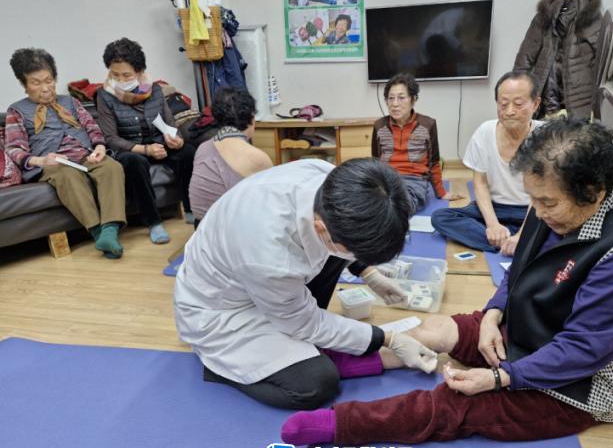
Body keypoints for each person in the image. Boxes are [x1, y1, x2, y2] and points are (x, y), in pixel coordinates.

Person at [280, 118, 613, 447]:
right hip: (527, 332)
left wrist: (501, 378)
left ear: (594, 192)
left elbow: (584, 350)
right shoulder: (553, 205)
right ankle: (347, 363)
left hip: (578, 383)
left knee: (455, 404)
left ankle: (342, 424)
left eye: (547, 203)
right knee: (436, 330)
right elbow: (519, 270)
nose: (537, 212)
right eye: (533, 200)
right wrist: (493, 313)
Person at [174, 158, 438, 410]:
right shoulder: (270, 256)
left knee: (334, 256)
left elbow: (345, 236)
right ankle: (223, 368)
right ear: (321, 229)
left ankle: (302, 342)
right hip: (222, 310)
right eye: (355, 253)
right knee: (315, 384)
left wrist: (368, 272)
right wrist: (388, 339)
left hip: (258, 278)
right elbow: (305, 323)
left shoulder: (331, 180)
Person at [5, 48, 126, 258]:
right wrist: (42, 160)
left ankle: (110, 231)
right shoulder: (16, 111)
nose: (45, 88)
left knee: (111, 167)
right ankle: (98, 233)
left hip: (85, 155)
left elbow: (92, 127)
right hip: (53, 163)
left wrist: (99, 147)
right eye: (36, 83)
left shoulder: (71, 102)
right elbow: (14, 148)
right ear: (24, 85)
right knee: (68, 175)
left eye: (49, 80)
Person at [96, 38, 196, 244]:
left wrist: (176, 139)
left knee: (188, 152)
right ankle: (154, 222)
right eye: (115, 75)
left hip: (158, 143)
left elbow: (170, 121)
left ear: (140, 71)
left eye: (127, 75)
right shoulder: (104, 96)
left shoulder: (155, 90)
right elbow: (110, 138)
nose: (120, 80)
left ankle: (190, 209)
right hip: (130, 149)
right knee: (135, 162)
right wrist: (145, 150)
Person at [431, 71, 542, 255]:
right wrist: (492, 225)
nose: (510, 111)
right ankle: (514, 244)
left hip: (533, 209)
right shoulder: (485, 132)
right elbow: (480, 183)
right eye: (503, 104)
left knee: (558, 225)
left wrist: (523, 234)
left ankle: (516, 241)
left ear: (535, 104)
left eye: (518, 104)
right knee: (441, 217)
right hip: (495, 208)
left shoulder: (546, 136)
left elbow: (542, 195)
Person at [372, 72, 455, 215]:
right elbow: (375, 161)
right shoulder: (379, 126)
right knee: (364, 200)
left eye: (401, 98)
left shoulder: (428, 124)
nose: (395, 104)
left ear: (413, 99)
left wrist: (441, 193)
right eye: (390, 98)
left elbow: (434, 162)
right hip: (386, 179)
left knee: (402, 206)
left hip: (414, 180)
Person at [188, 87, 272, 224]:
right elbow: (270, 204)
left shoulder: (203, 148)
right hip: (229, 228)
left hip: (200, 227)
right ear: (251, 117)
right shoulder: (257, 157)